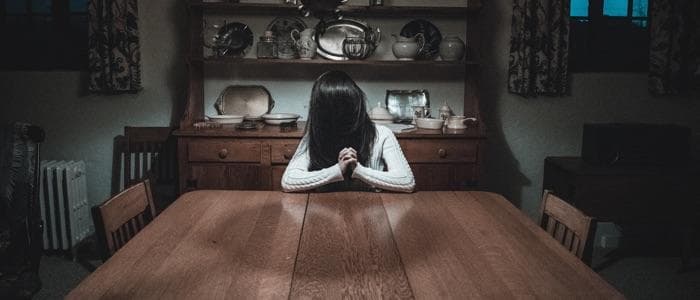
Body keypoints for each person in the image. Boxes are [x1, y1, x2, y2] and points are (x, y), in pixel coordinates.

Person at [281, 70, 415, 193]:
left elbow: (406, 181)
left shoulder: (382, 134)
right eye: (334, 111)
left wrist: (359, 170)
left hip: (371, 212)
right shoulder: (315, 135)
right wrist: (337, 170)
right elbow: (289, 181)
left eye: (346, 108)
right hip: (323, 210)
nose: (342, 115)